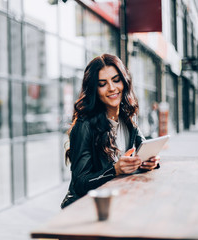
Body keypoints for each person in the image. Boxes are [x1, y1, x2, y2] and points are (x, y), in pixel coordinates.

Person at [61, 54, 160, 209]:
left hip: (119, 204)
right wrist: (114, 170)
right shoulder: (84, 126)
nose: (112, 88)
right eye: (102, 84)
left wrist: (151, 162)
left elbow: (144, 151)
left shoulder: (128, 121)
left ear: (124, 81)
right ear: (94, 89)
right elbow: (80, 183)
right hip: (86, 212)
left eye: (116, 80)